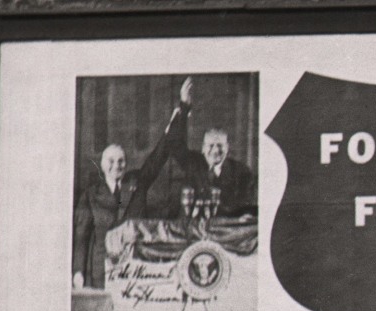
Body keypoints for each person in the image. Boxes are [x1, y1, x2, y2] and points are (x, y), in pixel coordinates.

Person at [72, 79, 190, 289]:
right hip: (101, 272)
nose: (117, 166)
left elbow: (160, 155)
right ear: (102, 165)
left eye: (121, 161)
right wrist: (78, 272)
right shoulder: (90, 196)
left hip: (134, 268)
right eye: (111, 161)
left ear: (126, 164)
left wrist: (182, 107)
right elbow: (81, 238)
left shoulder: (137, 182)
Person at [175, 78, 257, 218]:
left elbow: (248, 207)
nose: (215, 151)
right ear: (202, 148)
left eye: (220, 146)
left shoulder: (242, 173)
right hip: (194, 233)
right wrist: (184, 106)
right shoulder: (193, 164)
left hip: (226, 234)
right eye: (210, 146)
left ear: (227, 148)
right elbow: (176, 144)